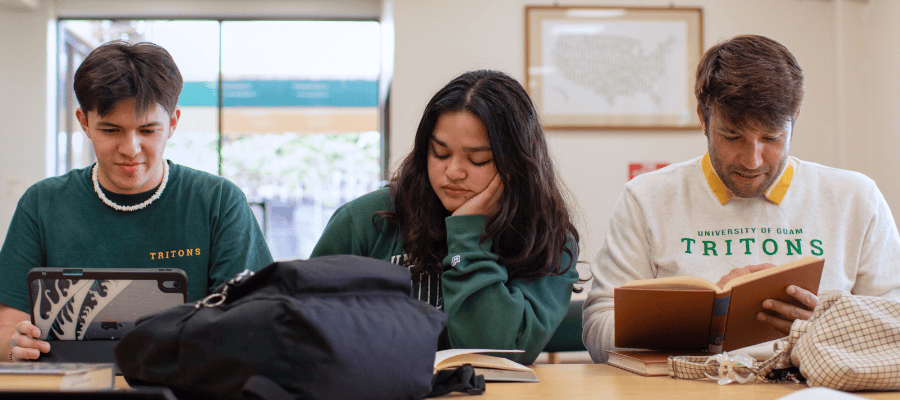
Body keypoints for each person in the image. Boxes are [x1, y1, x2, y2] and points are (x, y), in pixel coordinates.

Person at [582, 34, 900, 363]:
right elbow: (597, 332)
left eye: (772, 138)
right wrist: (701, 321)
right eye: (732, 137)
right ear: (703, 120)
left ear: (795, 121)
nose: (753, 160)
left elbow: (896, 328)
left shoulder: (855, 197)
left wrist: (829, 324)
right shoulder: (647, 198)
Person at [0, 40, 273, 362]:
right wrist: (17, 344)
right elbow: (8, 328)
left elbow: (253, 324)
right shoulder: (43, 203)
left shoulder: (218, 202)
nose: (130, 148)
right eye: (111, 129)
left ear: (172, 123)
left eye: (148, 130)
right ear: (84, 122)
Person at [310, 69, 581, 364]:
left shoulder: (546, 239)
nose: (453, 172)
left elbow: (498, 353)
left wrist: (468, 235)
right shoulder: (365, 220)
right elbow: (306, 333)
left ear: (516, 165)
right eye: (439, 153)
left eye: (479, 159)